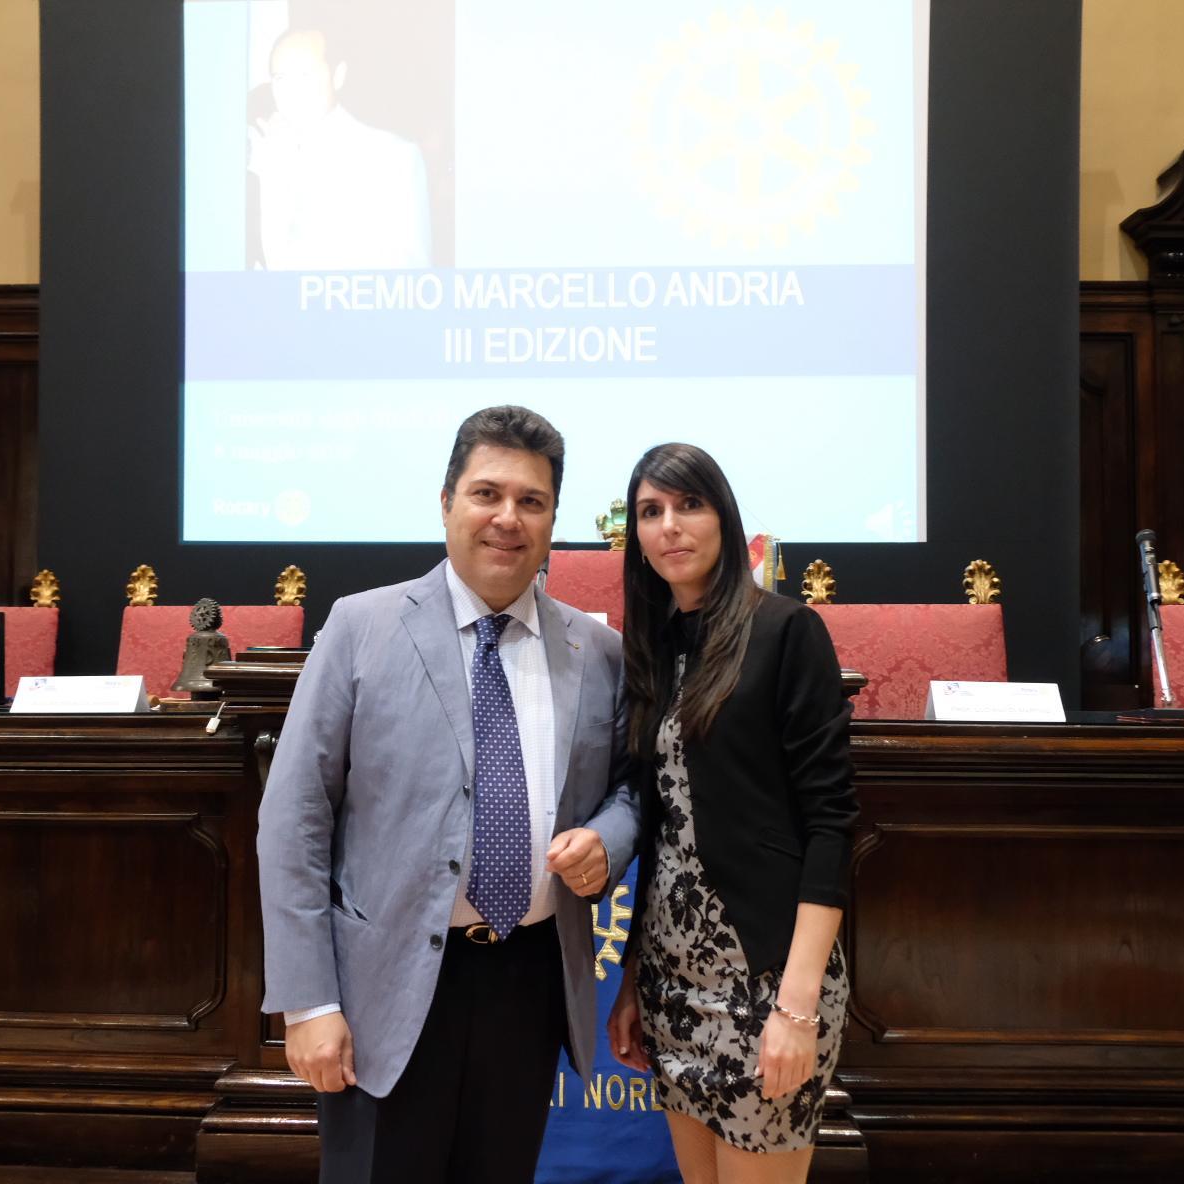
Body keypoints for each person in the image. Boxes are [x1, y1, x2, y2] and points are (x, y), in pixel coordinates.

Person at [257, 405, 638, 1184]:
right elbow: (293, 819)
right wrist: (307, 1004)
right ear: (445, 502)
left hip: (528, 984)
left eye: (531, 502)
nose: (508, 518)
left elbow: (633, 788)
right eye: (486, 494)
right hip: (381, 991)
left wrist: (611, 839)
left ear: (553, 520)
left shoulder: (598, 652)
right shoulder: (360, 628)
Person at [606, 442, 858, 1184]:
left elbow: (831, 822)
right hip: (671, 980)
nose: (669, 526)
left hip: (766, 982)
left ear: (725, 518)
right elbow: (665, 831)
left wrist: (798, 1008)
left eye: (689, 505)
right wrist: (628, 980)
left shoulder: (786, 631)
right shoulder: (656, 650)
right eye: (650, 512)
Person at [248, 27, 433, 270]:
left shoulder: (392, 158)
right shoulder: (263, 159)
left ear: (338, 76)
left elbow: (410, 279)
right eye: (281, 78)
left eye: (306, 75)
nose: (292, 90)